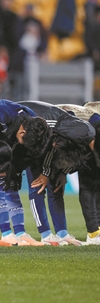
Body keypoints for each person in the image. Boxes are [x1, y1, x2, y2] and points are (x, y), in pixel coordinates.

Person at [0, 99, 52, 246]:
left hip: (2, 142)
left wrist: (16, 169)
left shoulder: (31, 123)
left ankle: (19, 233)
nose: (25, 143)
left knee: (11, 182)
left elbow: (21, 147)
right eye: (24, 140)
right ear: (22, 131)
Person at [17, 100, 95, 246]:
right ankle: (45, 234)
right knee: (37, 186)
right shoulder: (59, 130)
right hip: (32, 139)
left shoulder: (83, 135)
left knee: (56, 188)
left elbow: (72, 154)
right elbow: (51, 144)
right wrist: (45, 172)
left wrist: (62, 173)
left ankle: (62, 233)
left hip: (49, 142)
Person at [57, 102, 100, 245]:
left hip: (84, 125)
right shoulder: (86, 129)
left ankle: (96, 232)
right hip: (66, 126)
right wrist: (62, 171)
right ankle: (94, 233)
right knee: (89, 184)